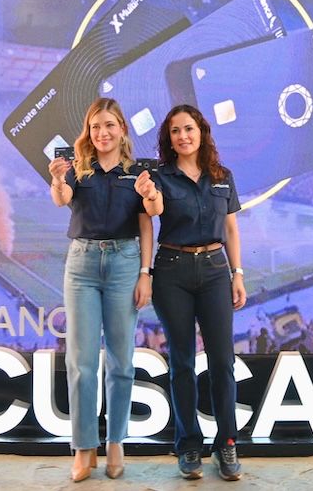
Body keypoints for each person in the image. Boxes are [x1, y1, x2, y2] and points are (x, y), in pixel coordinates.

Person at [48, 98, 163, 482]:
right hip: (82, 264)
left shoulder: (138, 172)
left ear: (122, 129)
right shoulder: (78, 169)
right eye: (96, 126)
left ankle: (115, 442)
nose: (103, 133)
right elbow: (62, 199)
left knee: (121, 360)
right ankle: (84, 447)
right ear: (89, 131)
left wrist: (145, 273)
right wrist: (57, 180)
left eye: (110, 125)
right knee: (81, 362)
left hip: (124, 264)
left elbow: (148, 221)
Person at [151, 104, 247, 481]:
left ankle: (226, 443)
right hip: (172, 271)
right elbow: (151, 214)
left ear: (201, 131)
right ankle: (188, 444)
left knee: (222, 362)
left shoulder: (222, 176)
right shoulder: (159, 177)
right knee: (182, 364)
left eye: (188, 128)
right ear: (169, 138)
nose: (183, 136)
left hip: (215, 271)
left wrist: (238, 274)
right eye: (175, 131)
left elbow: (232, 230)